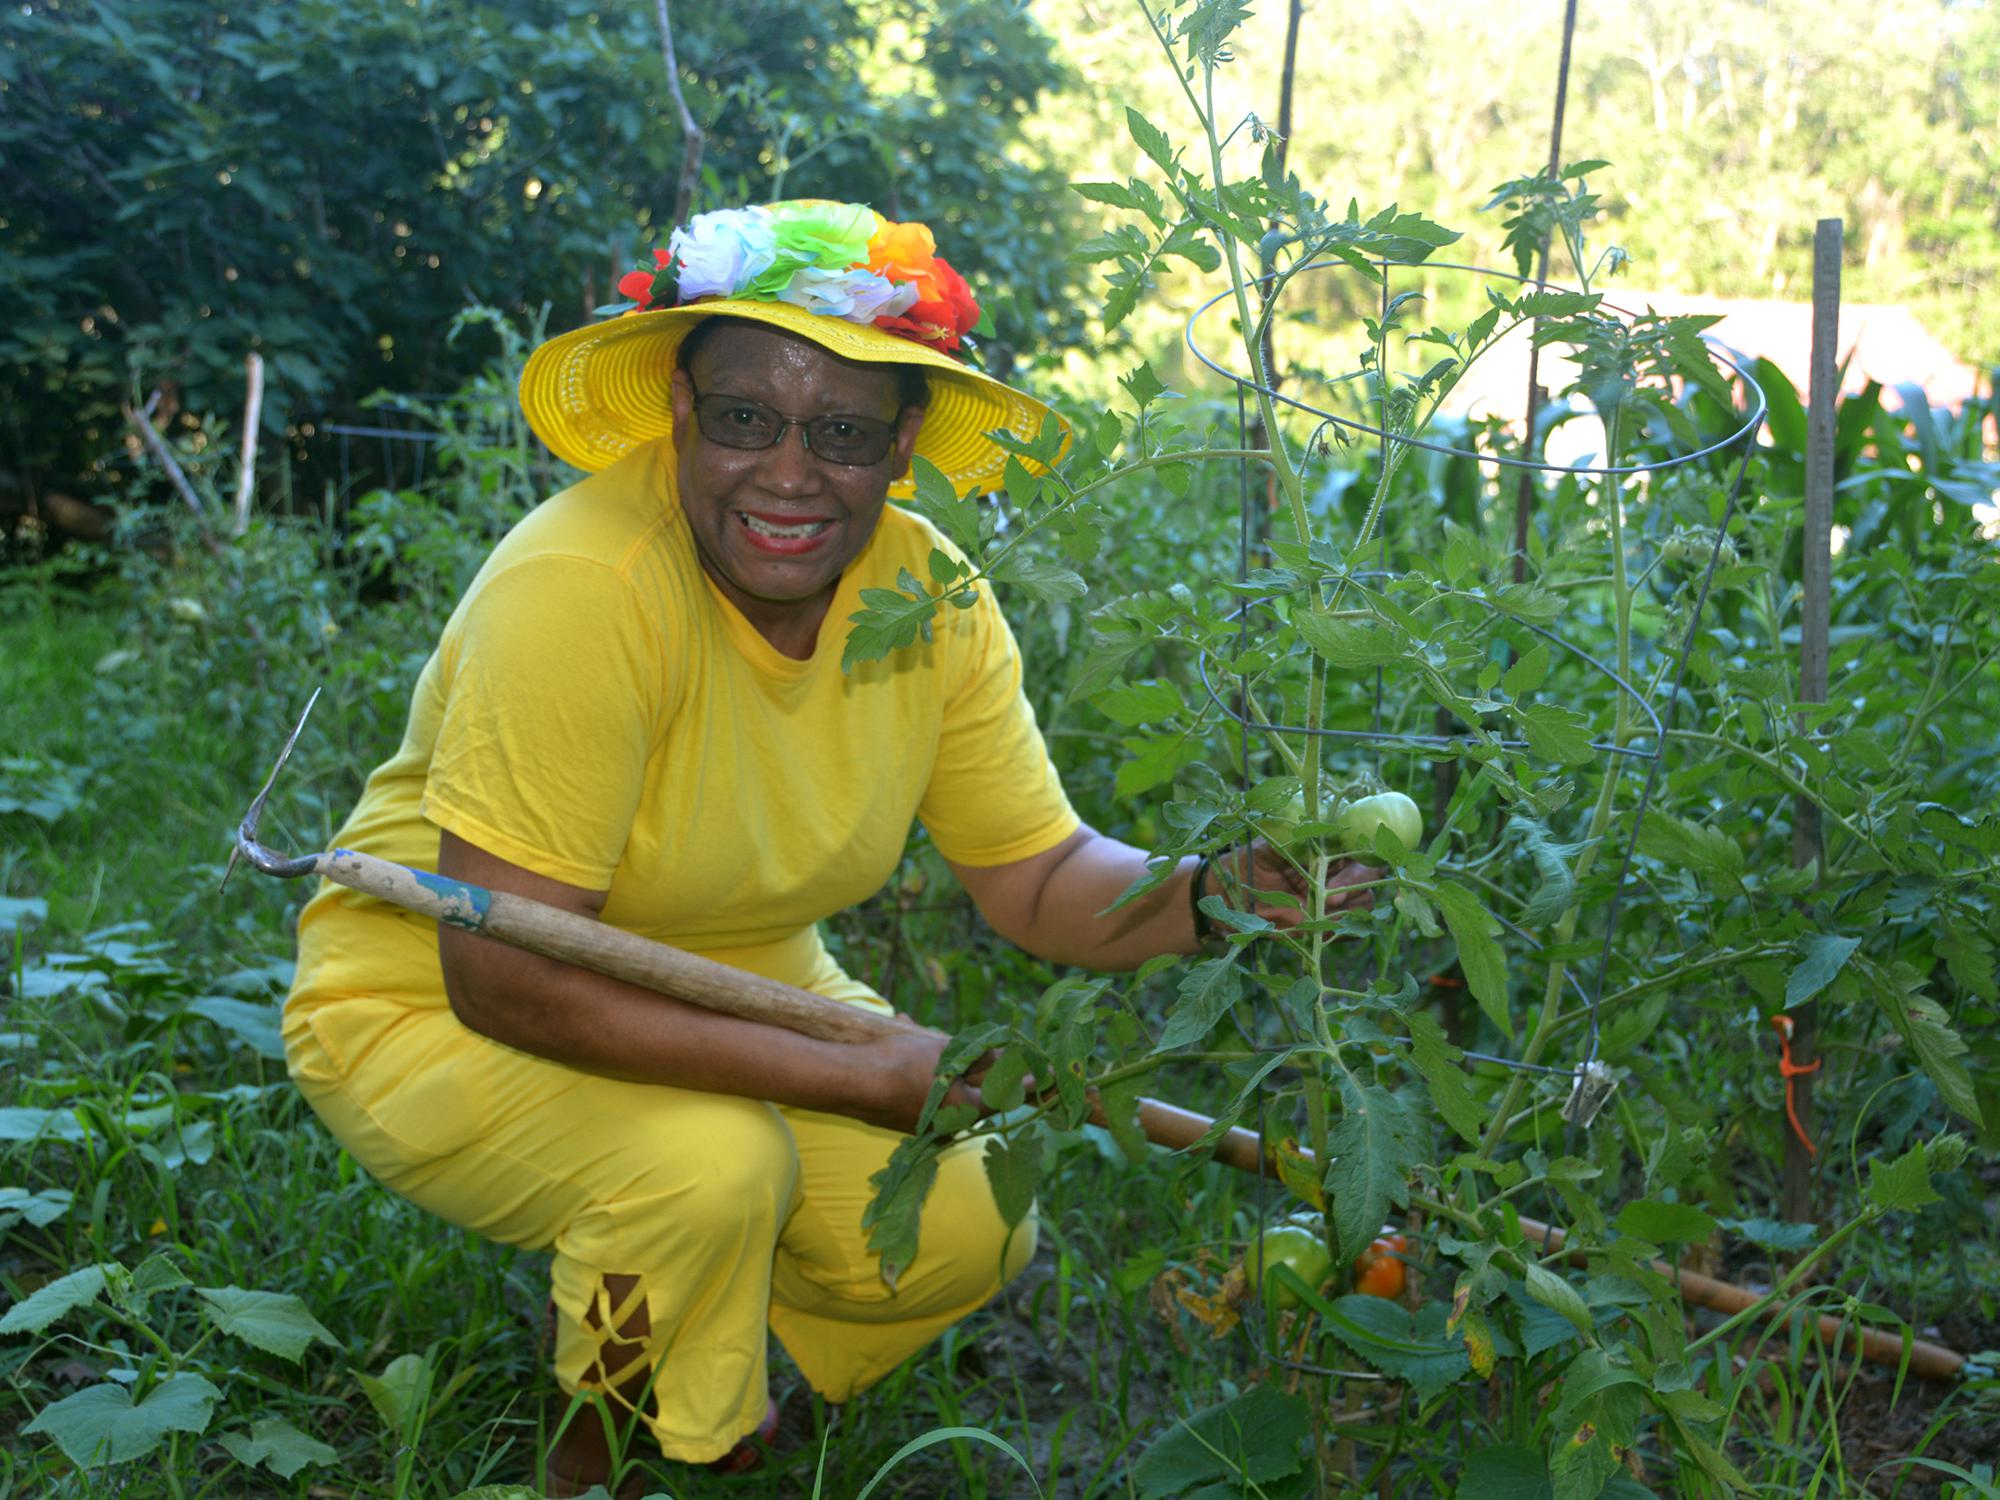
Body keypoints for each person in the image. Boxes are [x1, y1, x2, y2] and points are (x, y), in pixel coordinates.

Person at [281, 198, 1370, 1495]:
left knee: (962, 1218)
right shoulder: (580, 591)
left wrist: (1212, 899)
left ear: (903, 446)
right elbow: (504, 974)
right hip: (430, 1002)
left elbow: (1031, 878)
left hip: (739, 969)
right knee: (707, 1166)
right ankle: (598, 1454)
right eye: (746, 417)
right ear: (681, 408)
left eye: (844, 432)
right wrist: (856, 1076)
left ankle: (720, 1384)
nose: (789, 473)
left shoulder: (926, 598)